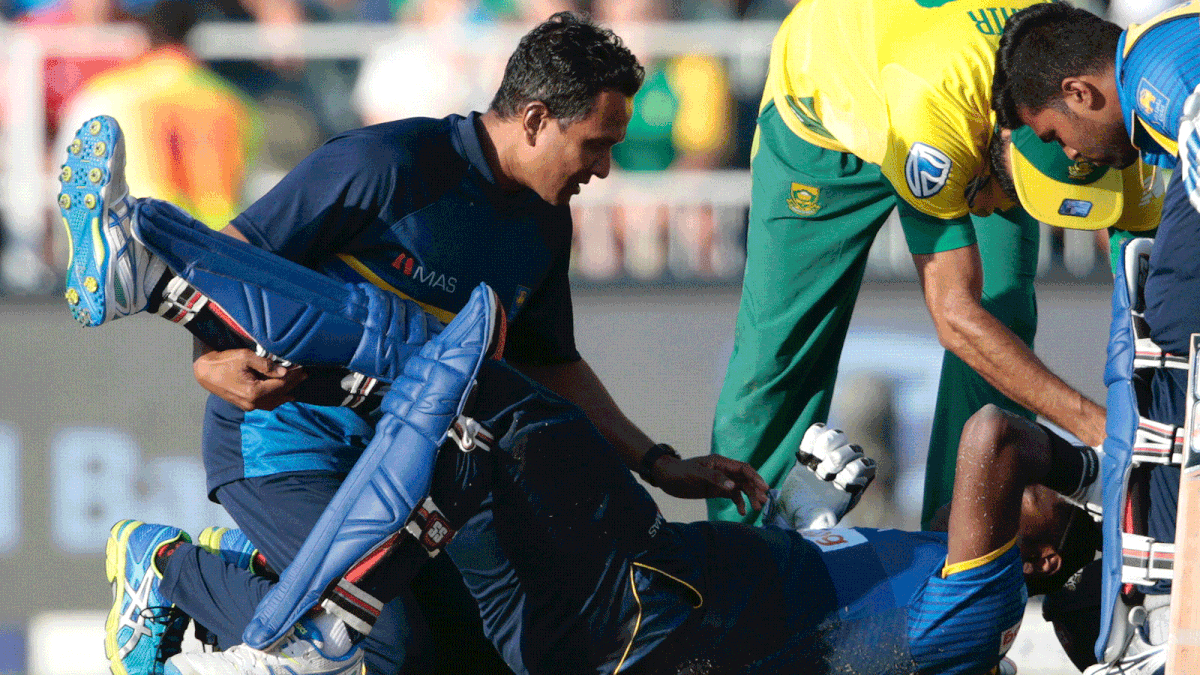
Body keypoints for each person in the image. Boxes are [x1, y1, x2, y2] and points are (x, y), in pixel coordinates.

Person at [55, 167, 1100, 673]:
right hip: (619, 610)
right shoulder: (938, 591)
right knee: (406, 560)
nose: (1030, 509)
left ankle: (160, 269)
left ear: (1046, 565)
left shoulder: (978, 624)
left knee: (465, 382)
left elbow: (991, 442)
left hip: (622, 606)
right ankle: (213, 577)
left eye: (1055, 522)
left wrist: (1092, 463)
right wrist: (802, 506)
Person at [61, 14, 764, 675]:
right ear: (535, 119)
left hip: (400, 469)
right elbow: (235, 260)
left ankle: (255, 567)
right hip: (280, 440)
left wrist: (658, 462)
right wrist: (208, 356)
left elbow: (552, 363)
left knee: (462, 652)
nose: (605, 168)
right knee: (381, 642)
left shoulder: (547, 226)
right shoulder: (385, 164)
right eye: (597, 144)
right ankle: (166, 566)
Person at [708, 0, 1161, 528]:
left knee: (1005, 309)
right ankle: (735, 554)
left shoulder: (1105, 107)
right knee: (778, 350)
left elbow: (1147, 286)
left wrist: (1162, 423)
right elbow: (955, 317)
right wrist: (1100, 429)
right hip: (830, 108)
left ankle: (964, 539)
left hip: (961, 103)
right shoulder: (942, 108)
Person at [989, 1, 1200, 667]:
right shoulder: (1166, 57)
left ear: (1080, 92)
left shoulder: (1161, 84)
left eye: (1055, 136)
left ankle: (1165, 599)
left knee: (1165, 310)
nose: (1072, 154)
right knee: (1165, 300)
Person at [59, 0, 261, 230]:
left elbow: (72, 191)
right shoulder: (235, 103)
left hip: (138, 247)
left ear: (138, 32)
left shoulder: (102, 96)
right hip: (218, 249)